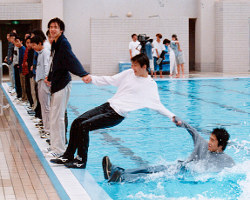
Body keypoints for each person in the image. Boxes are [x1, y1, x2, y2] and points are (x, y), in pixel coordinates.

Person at [50, 53, 177, 168]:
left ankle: (81, 161)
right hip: (108, 105)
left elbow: (157, 105)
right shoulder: (129, 73)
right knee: (77, 122)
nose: (133, 68)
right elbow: (110, 80)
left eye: (135, 65)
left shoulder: (150, 85)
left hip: (116, 114)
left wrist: (172, 116)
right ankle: (68, 155)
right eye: (132, 64)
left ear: (144, 67)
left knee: (84, 126)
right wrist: (92, 78)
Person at [103, 118, 235, 182]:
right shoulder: (203, 144)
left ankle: (121, 178)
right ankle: (115, 171)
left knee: (151, 177)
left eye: (213, 141)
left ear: (221, 145)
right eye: (210, 139)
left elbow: (232, 174)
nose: (209, 142)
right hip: (178, 168)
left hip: (182, 176)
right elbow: (193, 131)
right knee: (150, 169)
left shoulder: (227, 161)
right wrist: (181, 123)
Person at [45, 17, 89, 157]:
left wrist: (82, 73)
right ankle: (54, 146)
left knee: (58, 117)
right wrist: (50, 77)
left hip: (62, 84)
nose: (52, 29)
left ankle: (59, 150)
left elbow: (71, 59)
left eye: (55, 27)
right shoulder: (56, 43)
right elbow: (56, 63)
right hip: (57, 83)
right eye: (51, 27)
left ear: (61, 30)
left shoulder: (63, 43)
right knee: (54, 116)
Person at [31, 35, 51, 138]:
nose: (33, 47)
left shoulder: (45, 52)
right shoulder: (40, 53)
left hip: (44, 81)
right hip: (40, 80)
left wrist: (47, 78)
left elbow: (46, 66)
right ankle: (46, 126)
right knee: (43, 105)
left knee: (46, 106)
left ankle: (48, 129)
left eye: (34, 45)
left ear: (39, 43)